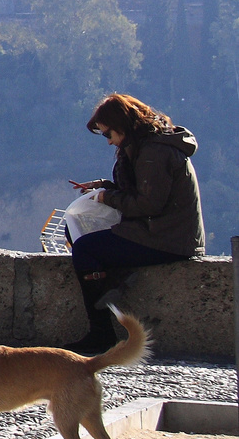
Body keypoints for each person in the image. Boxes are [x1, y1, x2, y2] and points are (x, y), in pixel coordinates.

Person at [64, 93, 206, 354]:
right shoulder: (144, 145)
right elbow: (141, 190)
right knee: (74, 232)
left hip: (166, 238)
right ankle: (110, 284)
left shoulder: (155, 152)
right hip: (157, 230)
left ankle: (101, 332)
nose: (108, 142)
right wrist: (104, 187)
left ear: (123, 126)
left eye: (108, 134)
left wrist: (108, 197)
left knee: (86, 249)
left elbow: (149, 204)